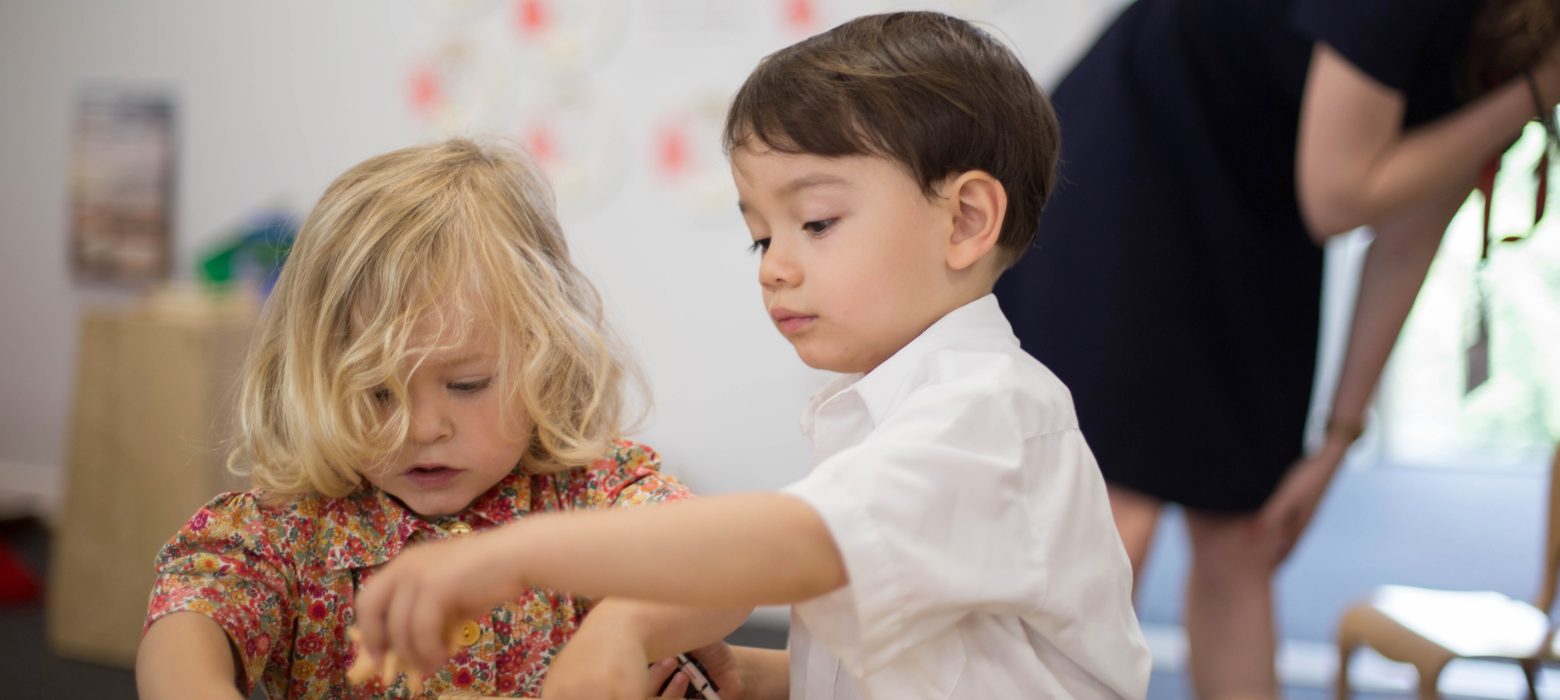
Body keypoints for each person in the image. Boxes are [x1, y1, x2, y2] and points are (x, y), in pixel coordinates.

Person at [351, 12, 1150, 700]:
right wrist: (759, 675)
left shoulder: (990, 415)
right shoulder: (894, 413)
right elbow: (927, 662)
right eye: (760, 235)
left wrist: (518, 557)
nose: (773, 265)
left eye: (817, 222)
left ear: (967, 219)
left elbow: (792, 545)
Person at [990, 0, 1560, 696]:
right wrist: (1532, 95)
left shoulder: (1523, 42)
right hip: (1144, 148)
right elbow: (1340, 195)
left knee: (1245, 535)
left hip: (1264, 196)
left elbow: (1411, 228)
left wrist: (1339, 437)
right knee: (1113, 519)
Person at [134, 139, 749, 699]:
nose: (423, 427)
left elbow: (728, 558)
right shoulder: (286, 533)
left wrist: (621, 629)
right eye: (375, 392)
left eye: (466, 384)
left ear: (548, 362)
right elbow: (187, 629)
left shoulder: (592, 493)